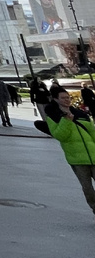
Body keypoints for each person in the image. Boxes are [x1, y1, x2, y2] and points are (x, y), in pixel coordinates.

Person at [42, 87, 95, 218]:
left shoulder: (81, 114)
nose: (67, 100)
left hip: (93, 155)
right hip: (76, 159)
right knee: (88, 189)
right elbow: (60, 136)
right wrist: (67, 121)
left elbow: (92, 132)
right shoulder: (54, 116)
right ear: (56, 99)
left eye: (68, 97)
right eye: (63, 98)